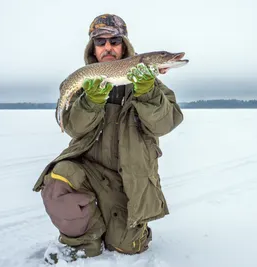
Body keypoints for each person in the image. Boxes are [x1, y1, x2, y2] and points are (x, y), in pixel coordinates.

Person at [32, 13, 184, 264]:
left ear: (125, 45)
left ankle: (126, 228)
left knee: (128, 247)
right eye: (101, 43)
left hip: (128, 183)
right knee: (59, 177)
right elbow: (74, 128)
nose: (108, 48)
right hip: (89, 175)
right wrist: (90, 101)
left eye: (114, 41)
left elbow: (165, 123)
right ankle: (82, 241)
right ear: (93, 48)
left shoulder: (151, 84)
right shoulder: (84, 84)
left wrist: (147, 92)